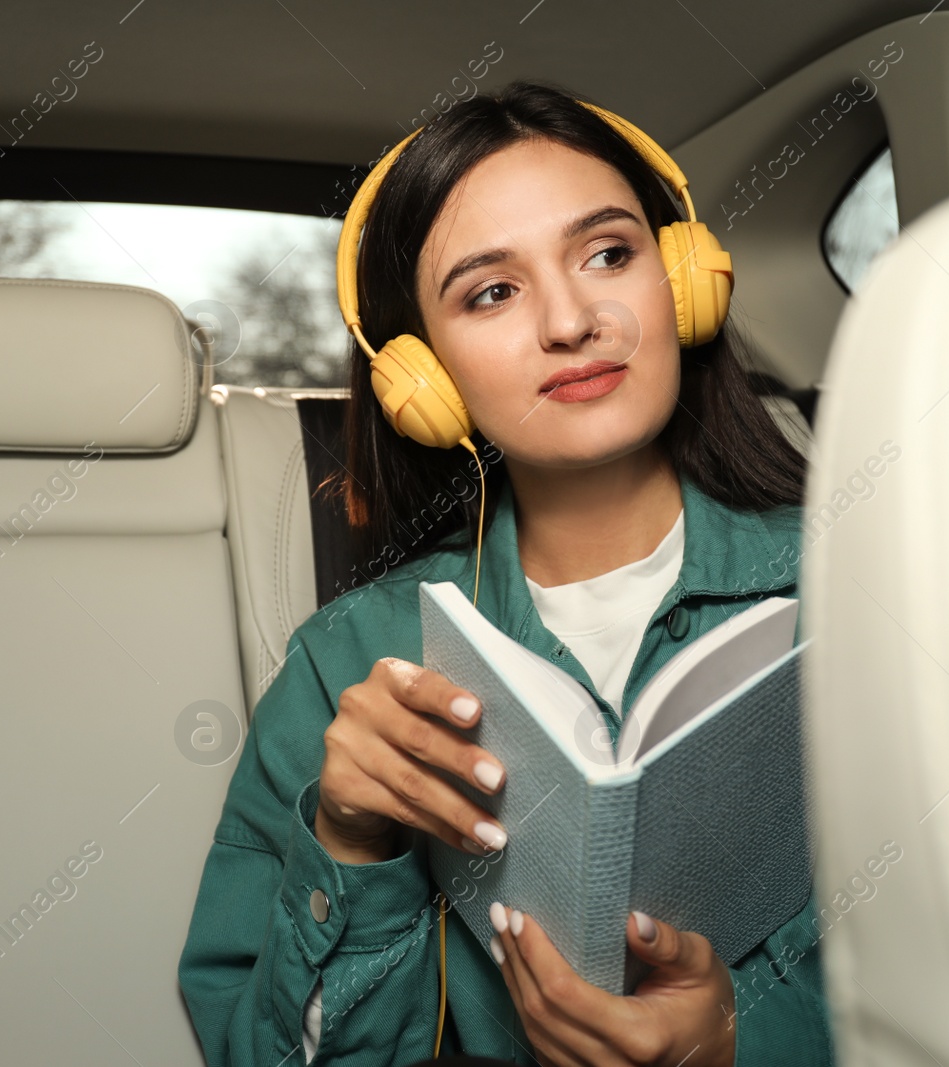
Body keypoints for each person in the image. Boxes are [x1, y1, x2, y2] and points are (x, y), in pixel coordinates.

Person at [178, 80, 831, 1066]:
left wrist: (744, 1038)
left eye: (608, 253)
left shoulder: (870, 584)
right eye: (492, 290)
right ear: (423, 379)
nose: (570, 321)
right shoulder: (345, 664)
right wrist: (352, 843)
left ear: (686, 283)